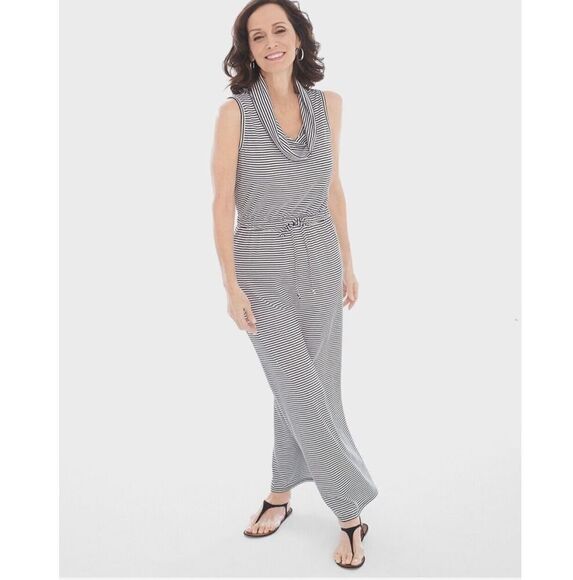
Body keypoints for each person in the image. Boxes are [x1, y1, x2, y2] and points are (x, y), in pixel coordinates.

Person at [211, 0, 378, 569]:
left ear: (300, 37)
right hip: (261, 265)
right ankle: (351, 511)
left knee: (313, 386)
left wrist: (348, 263)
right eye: (257, 36)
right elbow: (222, 201)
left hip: (321, 260)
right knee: (299, 388)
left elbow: (334, 189)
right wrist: (230, 286)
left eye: (279, 30)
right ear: (248, 50)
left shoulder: (329, 105)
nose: (270, 43)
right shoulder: (235, 113)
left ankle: (280, 492)